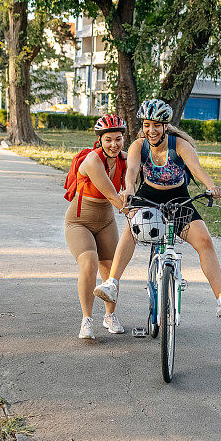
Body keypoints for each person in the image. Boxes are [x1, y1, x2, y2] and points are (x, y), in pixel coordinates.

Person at [94, 99, 221, 318]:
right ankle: (112, 284)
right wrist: (129, 189)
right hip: (148, 196)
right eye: (147, 124)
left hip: (179, 198)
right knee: (132, 228)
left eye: (156, 125)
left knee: (205, 241)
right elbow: (132, 170)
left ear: (165, 126)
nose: (151, 130)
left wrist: (211, 186)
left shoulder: (179, 145)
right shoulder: (139, 145)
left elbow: (197, 169)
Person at [65, 114, 129, 339]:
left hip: (106, 220)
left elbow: (135, 185)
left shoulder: (125, 159)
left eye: (118, 139)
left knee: (112, 270)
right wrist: (130, 208)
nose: (114, 144)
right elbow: (112, 195)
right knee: (89, 263)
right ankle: (87, 320)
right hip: (79, 221)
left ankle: (109, 316)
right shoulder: (92, 161)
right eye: (109, 139)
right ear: (100, 140)